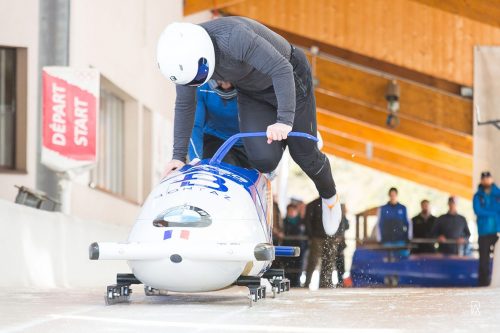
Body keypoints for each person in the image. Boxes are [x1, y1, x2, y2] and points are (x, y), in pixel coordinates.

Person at [156, 17, 341, 236]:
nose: (197, 82)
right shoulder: (183, 62)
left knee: (304, 155)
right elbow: (185, 104)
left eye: (199, 76)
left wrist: (284, 120)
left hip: (290, 76)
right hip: (252, 93)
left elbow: (282, 69)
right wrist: (178, 156)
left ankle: (329, 196)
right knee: (263, 160)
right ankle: (293, 134)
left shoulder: (234, 38)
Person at [188, 79, 250, 167]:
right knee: (224, 167)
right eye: (221, 81)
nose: (226, 86)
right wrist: (196, 159)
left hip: (248, 141)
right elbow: (195, 126)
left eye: (229, 81)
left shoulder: (251, 84)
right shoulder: (201, 86)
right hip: (216, 139)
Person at [304, 198, 349, 288]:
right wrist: (311, 236)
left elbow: (341, 220)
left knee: (329, 261)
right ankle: (307, 283)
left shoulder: (336, 204)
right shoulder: (313, 204)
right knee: (313, 261)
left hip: (332, 237)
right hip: (317, 237)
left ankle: (325, 283)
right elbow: (307, 221)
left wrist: (339, 235)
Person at [473, 171, 500, 286]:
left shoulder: (498, 194)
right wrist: (494, 212)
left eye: (488, 178)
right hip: (483, 232)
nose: (486, 180)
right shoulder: (478, 196)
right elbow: (478, 211)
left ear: (491, 179)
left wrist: (488, 211)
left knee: (497, 257)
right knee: (484, 259)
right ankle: (483, 283)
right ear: (481, 180)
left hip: (496, 231)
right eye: (484, 178)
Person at [282, 203, 307, 287]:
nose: (292, 212)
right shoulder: (283, 222)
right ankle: (287, 284)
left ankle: (296, 284)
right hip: (287, 249)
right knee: (288, 267)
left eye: (294, 210)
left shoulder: (302, 222)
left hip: (300, 249)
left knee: (298, 267)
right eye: (290, 210)